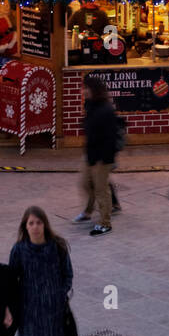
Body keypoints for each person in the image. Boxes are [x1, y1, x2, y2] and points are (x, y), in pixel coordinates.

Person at [8, 206, 73, 336]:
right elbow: (12, 280)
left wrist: (59, 293)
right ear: (25, 226)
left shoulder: (57, 246)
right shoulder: (19, 250)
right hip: (29, 312)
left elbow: (67, 273)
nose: (35, 227)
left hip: (53, 310)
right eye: (31, 223)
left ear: (45, 224)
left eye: (39, 222)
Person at [72, 77, 117, 235]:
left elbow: (111, 137)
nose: (83, 91)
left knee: (100, 189)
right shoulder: (90, 105)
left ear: (94, 90)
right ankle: (88, 211)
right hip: (90, 154)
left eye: (86, 88)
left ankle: (105, 222)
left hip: (101, 158)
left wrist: (105, 159)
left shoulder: (106, 110)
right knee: (85, 183)